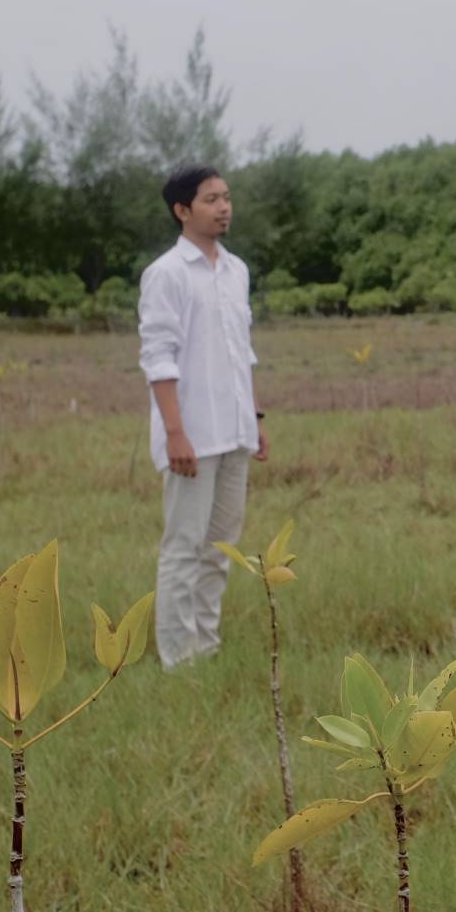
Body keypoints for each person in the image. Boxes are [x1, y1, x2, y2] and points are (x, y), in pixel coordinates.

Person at [137, 165, 269, 668]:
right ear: (182, 210)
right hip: (192, 436)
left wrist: (254, 419)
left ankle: (206, 649)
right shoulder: (167, 274)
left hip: (234, 432)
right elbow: (158, 357)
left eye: (226, 197)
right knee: (184, 547)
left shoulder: (236, 271)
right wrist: (175, 433)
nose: (224, 207)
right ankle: (178, 659)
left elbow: (241, 353)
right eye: (211, 199)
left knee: (220, 549)